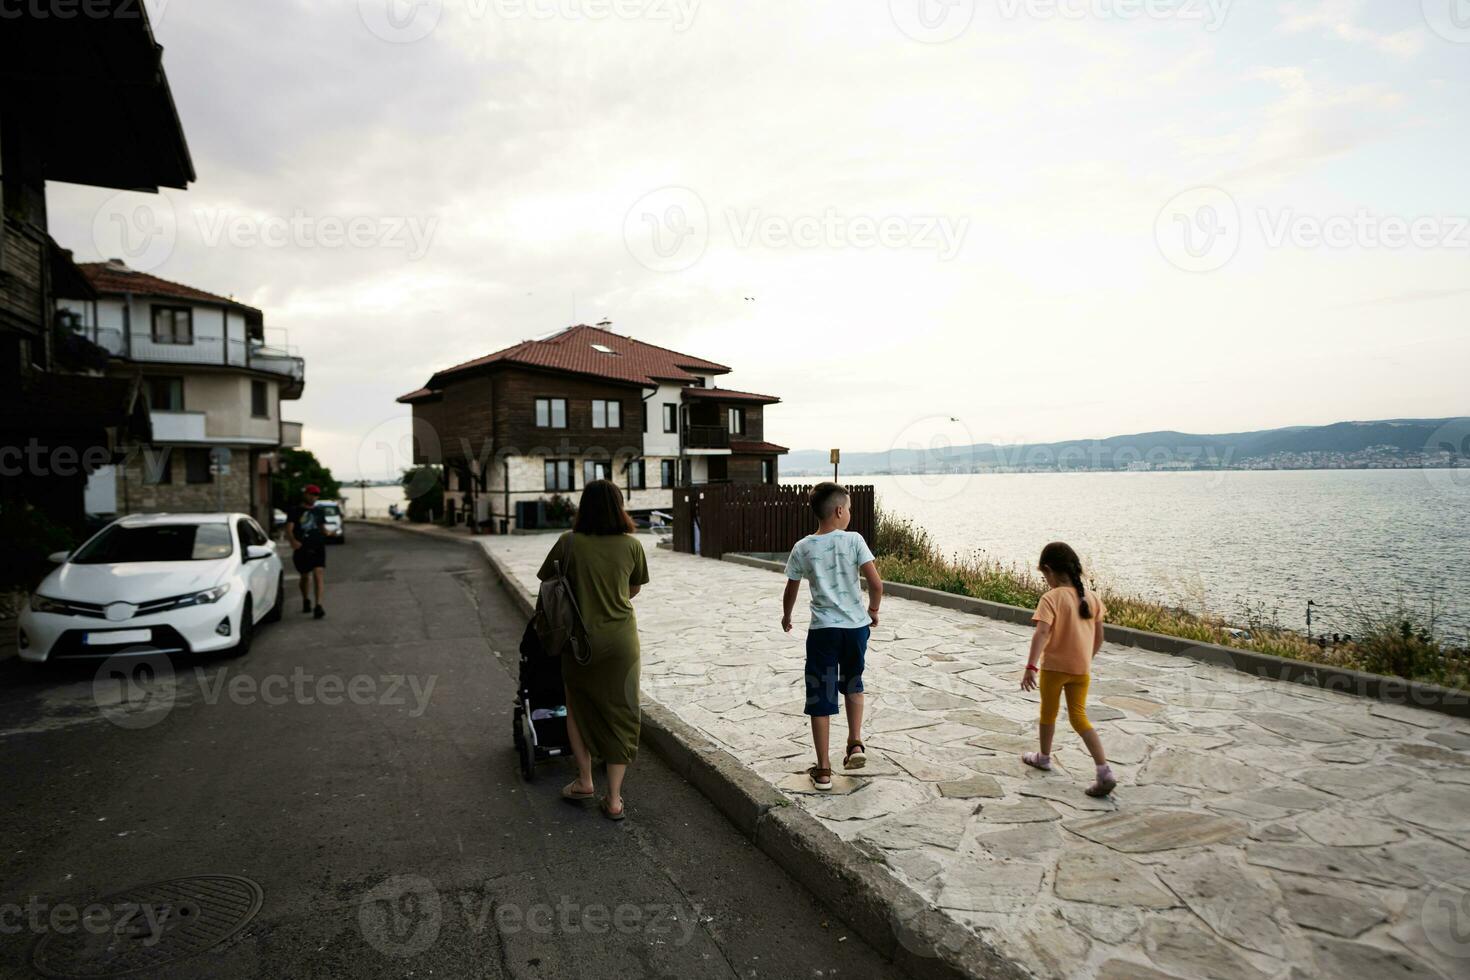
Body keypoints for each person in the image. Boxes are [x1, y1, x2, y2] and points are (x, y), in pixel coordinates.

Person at [536, 480, 649, 821]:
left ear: (584, 507)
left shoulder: (568, 543)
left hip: (579, 642)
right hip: (621, 643)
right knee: (623, 712)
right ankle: (614, 799)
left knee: (578, 707)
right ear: (620, 506)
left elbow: (546, 583)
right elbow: (632, 590)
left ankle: (584, 781)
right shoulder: (632, 545)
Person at [781, 483, 883, 791]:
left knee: (820, 694)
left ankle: (823, 769)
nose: (849, 513)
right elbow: (876, 584)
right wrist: (873, 610)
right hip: (855, 629)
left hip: (823, 631)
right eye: (849, 508)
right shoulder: (854, 540)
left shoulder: (803, 547)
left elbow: (791, 588)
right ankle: (854, 743)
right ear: (839, 511)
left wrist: (787, 616)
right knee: (853, 683)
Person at [1020, 542, 1115, 797]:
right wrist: (1086, 658)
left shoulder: (1051, 598)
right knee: (1079, 717)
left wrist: (1031, 665)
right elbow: (1099, 637)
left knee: (1048, 713)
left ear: (1049, 570)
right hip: (1081, 670)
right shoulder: (1092, 598)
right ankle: (1103, 770)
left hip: (1054, 669)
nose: (1045, 581)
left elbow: (1041, 633)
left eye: (1044, 576)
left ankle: (1043, 757)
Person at [286, 484, 327, 619]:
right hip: (302, 548)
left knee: (318, 573)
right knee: (304, 576)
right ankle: (305, 599)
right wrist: (293, 541)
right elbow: (289, 529)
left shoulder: (319, 511)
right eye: (311, 494)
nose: (314, 497)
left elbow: (322, 528)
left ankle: (318, 606)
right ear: (305, 494)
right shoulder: (295, 511)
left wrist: (329, 533)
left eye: (316, 495)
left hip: (318, 546)